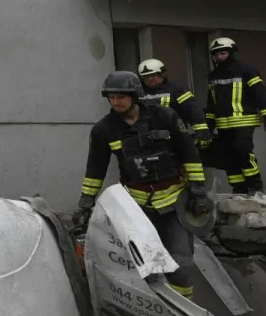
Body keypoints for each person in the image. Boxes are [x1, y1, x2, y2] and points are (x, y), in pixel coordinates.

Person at [75, 71, 211, 297]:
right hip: (136, 209)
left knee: (181, 264)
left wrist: (197, 191)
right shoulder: (104, 130)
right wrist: (85, 202)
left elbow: (190, 155)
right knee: (144, 265)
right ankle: (155, 311)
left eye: (121, 97)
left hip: (174, 204)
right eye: (112, 97)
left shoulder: (165, 117)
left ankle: (183, 313)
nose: (116, 102)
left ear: (135, 95)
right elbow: (95, 170)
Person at [206, 37, 266, 193]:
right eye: (216, 54)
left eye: (222, 53)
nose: (219, 57)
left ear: (231, 53)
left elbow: (261, 94)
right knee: (228, 157)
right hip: (223, 124)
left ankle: (255, 187)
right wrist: (208, 127)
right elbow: (211, 103)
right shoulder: (213, 75)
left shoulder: (247, 70)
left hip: (244, 121)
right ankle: (239, 189)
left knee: (243, 151)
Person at [137, 58, 210, 148]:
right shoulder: (139, 93)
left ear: (162, 74)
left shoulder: (176, 88)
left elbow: (192, 109)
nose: (150, 78)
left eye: (153, 75)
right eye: (146, 76)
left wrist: (201, 130)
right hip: (147, 141)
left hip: (175, 138)